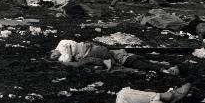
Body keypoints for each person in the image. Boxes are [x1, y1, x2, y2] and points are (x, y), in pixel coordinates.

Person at [49, 40, 180, 75]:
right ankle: (166, 68)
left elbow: (104, 56)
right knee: (144, 63)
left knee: (144, 64)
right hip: (123, 56)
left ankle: (166, 69)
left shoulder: (91, 55)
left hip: (123, 58)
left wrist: (111, 65)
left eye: (54, 55)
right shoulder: (89, 55)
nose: (57, 56)